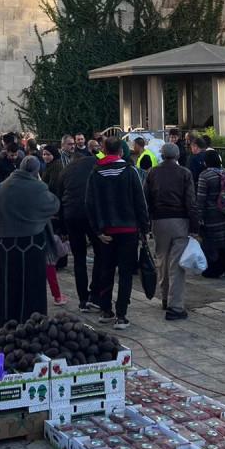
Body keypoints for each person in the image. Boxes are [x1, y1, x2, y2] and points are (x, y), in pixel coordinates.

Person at [0, 156, 60, 331]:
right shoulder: (37, 187)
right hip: (32, 245)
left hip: (5, 246)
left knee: (8, 288)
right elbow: (54, 205)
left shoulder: (3, 187)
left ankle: (5, 325)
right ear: (36, 171)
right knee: (32, 288)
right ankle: (32, 325)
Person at [86, 135, 151, 330]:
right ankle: (121, 314)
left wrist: (97, 230)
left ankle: (106, 310)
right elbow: (140, 202)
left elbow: (89, 203)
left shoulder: (96, 173)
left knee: (106, 270)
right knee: (125, 273)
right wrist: (144, 228)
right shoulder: (130, 171)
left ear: (104, 151)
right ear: (121, 152)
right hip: (128, 229)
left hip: (106, 230)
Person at [143, 142, 199, 320]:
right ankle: (175, 306)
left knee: (162, 259)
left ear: (161, 154)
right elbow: (190, 201)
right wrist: (195, 225)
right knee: (177, 264)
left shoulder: (152, 172)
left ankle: (165, 297)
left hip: (159, 220)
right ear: (177, 156)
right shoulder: (184, 173)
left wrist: (148, 220)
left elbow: (146, 198)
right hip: (179, 220)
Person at [57, 153, 103, 312]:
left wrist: (62, 228)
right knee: (100, 253)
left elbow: (59, 198)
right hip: (91, 214)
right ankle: (95, 293)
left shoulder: (66, 170)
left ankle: (83, 299)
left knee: (79, 258)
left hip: (71, 215)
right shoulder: (96, 164)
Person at [197, 149, 225, 279]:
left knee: (213, 241)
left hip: (212, 214)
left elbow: (201, 197)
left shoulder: (205, 176)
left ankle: (215, 269)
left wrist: (199, 215)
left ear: (206, 162)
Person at [39, 145, 68, 305]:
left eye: (48, 154)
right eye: (44, 154)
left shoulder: (56, 167)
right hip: (50, 209)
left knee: (54, 244)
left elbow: (55, 187)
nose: (45, 157)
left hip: (53, 209)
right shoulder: (49, 166)